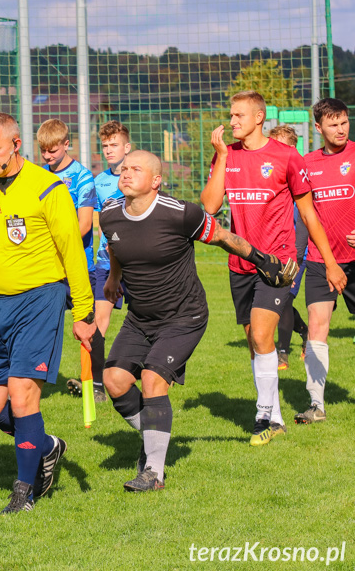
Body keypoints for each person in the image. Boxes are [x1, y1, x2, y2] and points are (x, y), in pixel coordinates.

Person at [102, 150, 295, 491]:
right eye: (124, 168)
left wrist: (264, 262)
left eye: (136, 169)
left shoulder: (181, 214)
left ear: (156, 180)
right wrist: (114, 278)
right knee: (115, 381)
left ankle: (154, 473)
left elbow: (222, 237)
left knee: (152, 380)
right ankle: (153, 440)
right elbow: (115, 247)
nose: (126, 173)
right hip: (139, 316)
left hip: (184, 316)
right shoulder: (110, 214)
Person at [0, 112, 96, 513]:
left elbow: (72, 254)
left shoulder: (48, 188)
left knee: (22, 395)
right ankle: (44, 445)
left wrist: (84, 312)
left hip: (41, 299)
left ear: (15, 144)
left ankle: (24, 491)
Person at [201, 90, 345, 446]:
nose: (232, 121)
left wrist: (329, 262)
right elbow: (210, 206)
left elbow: (309, 213)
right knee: (255, 342)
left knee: (264, 336)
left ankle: (263, 414)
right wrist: (220, 158)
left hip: (278, 263)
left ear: (259, 117)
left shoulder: (286, 157)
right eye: (231, 115)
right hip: (239, 264)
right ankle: (276, 416)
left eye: (238, 116)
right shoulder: (227, 156)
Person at [36, 119, 106, 402]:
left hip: (79, 266)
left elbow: (85, 225)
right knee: (39, 323)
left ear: (67, 144)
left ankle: (98, 385)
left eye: (53, 150)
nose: (47, 156)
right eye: (43, 150)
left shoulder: (82, 177)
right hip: (45, 268)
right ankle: (33, 379)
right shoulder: (38, 176)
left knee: (88, 325)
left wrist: (52, 246)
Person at [297, 98, 355, 424]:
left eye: (344, 122)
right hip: (322, 259)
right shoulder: (307, 164)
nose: (341, 129)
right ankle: (316, 405)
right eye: (333, 124)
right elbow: (305, 214)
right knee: (317, 328)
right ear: (318, 128)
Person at [91, 121, 132, 398]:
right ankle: (96, 384)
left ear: (127, 147)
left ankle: (143, 371)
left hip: (138, 262)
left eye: (114, 144)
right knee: (98, 321)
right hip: (106, 261)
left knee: (146, 318)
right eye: (105, 145)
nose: (108, 150)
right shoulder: (99, 182)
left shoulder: (139, 176)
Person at [266, 125, 308, 370]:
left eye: (279, 146)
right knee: (282, 302)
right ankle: (305, 332)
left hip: (295, 253)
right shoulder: (272, 176)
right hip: (272, 251)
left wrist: (297, 255)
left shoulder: (298, 175)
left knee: (282, 300)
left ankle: (282, 354)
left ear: (292, 148)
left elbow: (303, 221)